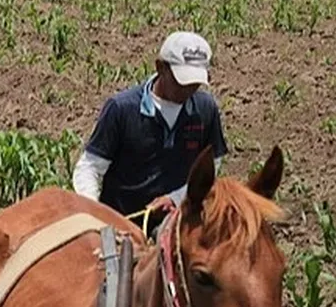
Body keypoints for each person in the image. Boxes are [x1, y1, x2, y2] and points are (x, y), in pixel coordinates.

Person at [72, 31, 229, 235]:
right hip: (122, 223)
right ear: (160, 67)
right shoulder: (122, 109)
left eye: (195, 83)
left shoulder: (205, 109)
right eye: (182, 82)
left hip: (177, 220)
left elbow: (211, 167)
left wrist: (175, 198)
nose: (189, 89)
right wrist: (97, 217)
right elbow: (89, 168)